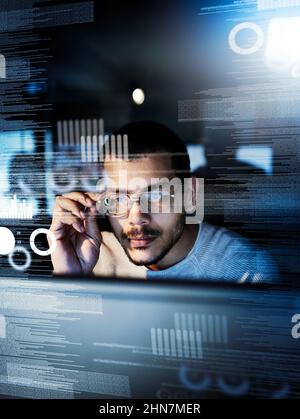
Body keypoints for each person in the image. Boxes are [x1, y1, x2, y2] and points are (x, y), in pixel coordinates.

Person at [49, 121, 278, 283]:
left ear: (190, 193)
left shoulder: (244, 271)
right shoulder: (93, 255)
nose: (136, 218)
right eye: (119, 198)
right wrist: (71, 279)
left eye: (157, 195)